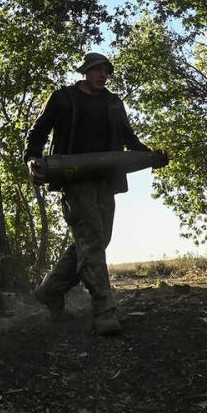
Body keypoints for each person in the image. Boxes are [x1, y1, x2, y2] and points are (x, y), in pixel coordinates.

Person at [24, 52, 166, 335]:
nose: (102, 75)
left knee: (98, 240)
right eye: (97, 70)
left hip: (105, 179)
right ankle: (104, 310)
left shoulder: (113, 103)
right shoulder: (63, 98)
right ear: (85, 72)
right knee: (90, 240)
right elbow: (38, 131)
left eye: (106, 71)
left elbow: (128, 137)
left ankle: (51, 289)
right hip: (73, 178)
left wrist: (150, 156)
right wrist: (31, 159)